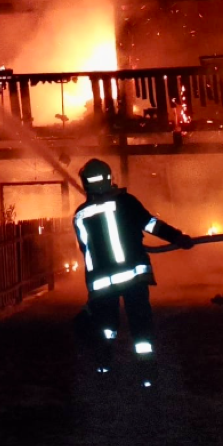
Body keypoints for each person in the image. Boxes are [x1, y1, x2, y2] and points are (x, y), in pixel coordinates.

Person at [72, 158, 194, 387]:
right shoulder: (126, 202)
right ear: (109, 178)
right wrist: (178, 238)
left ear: (85, 183)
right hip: (133, 277)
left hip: (101, 283)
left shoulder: (80, 214)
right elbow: (152, 225)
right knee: (140, 322)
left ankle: (103, 365)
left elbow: (85, 248)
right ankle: (147, 372)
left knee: (106, 325)